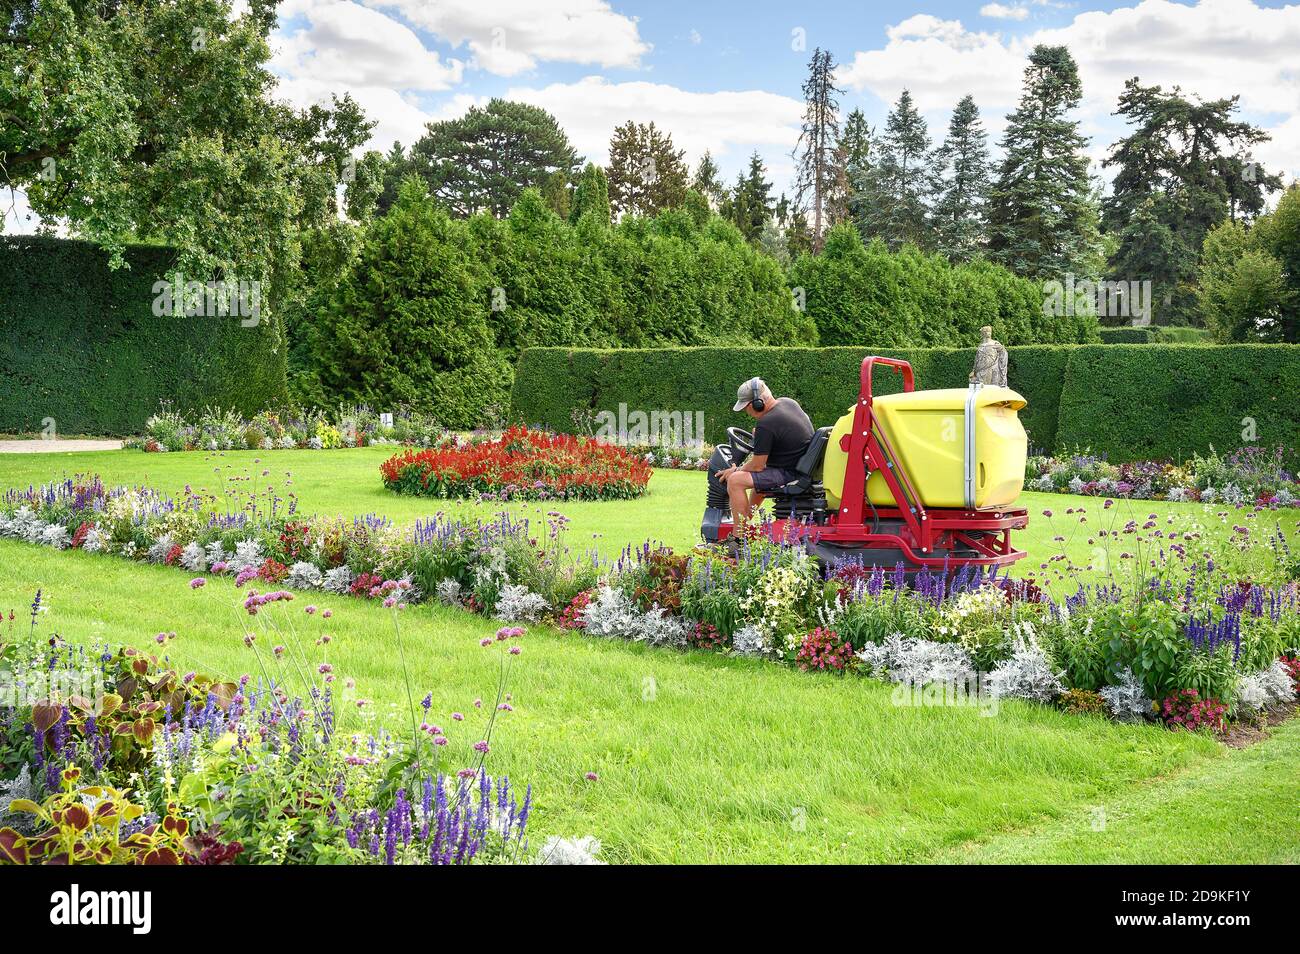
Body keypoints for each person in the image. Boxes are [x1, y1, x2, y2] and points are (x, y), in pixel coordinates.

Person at [715, 377, 813, 524]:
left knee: (735, 481)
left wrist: (734, 470)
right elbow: (784, 435)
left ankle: (737, 538)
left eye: (746, 406)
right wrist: (762, 438)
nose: (746, 411)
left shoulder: (766, 423)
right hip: (801, 468)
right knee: (756, 478)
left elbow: (757, 466)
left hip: (790, 473)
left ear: (757, 403)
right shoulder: (788, 403)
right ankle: (745, 521)